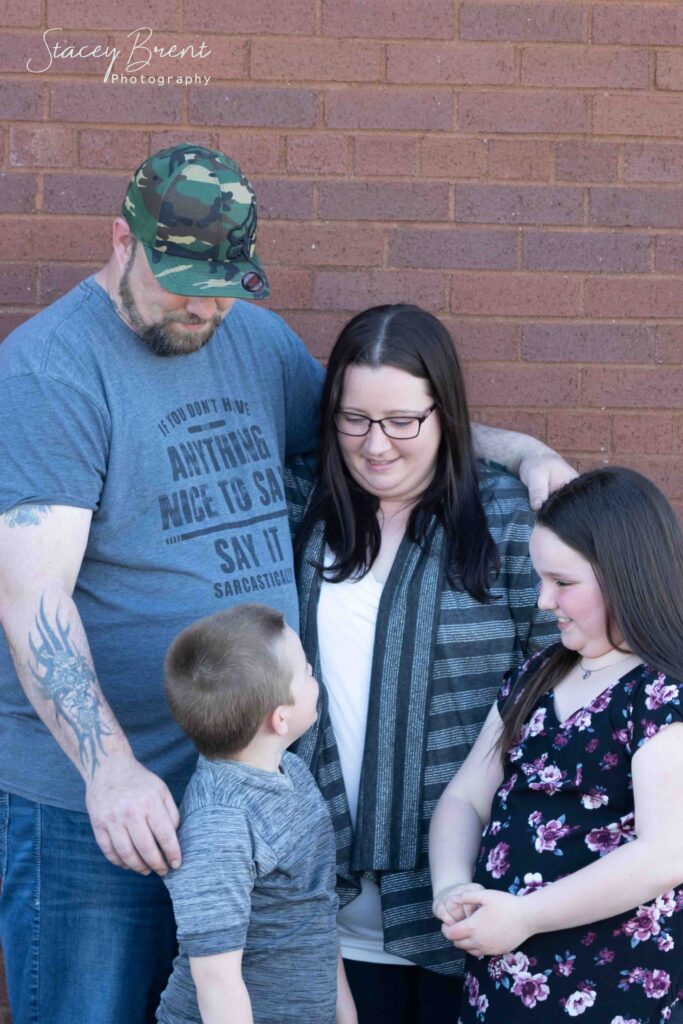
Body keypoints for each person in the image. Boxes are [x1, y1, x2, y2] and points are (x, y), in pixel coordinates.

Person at [0, 142, 573, 1024]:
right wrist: (109, 772)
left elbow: (377, 428)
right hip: (98, 805)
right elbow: (31, 598)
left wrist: (525, 454)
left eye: (221, 284)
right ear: (122, 240)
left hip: (240, 787)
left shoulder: (254, 342)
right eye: (180, 278)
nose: (200, 305)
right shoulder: (51, 370)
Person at [284, 304, 561, 1024]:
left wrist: (524, 452)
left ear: (444, 412)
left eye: (401, 421)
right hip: (324, 907)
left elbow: (564, 690)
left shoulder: (505, 519)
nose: (375, 445)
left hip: (472, 906)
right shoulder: (296, 507)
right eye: (354, 419)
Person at [430, 466, 683, 1022]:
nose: (545, 601)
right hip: (503, 980)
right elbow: (466, 797)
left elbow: (666, 854)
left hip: (611, 988)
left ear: (625, 575)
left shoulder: (663, 689)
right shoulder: (540, 674)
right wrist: (452, 884)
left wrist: (527, 915)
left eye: (563, 582)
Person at [158, 603, 356, 1024]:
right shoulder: (221, 823)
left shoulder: (293, 772)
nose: (313, 677)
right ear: (280, 718)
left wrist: (344, 1012)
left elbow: (313, 907)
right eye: (305, 671)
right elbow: (216, 980)